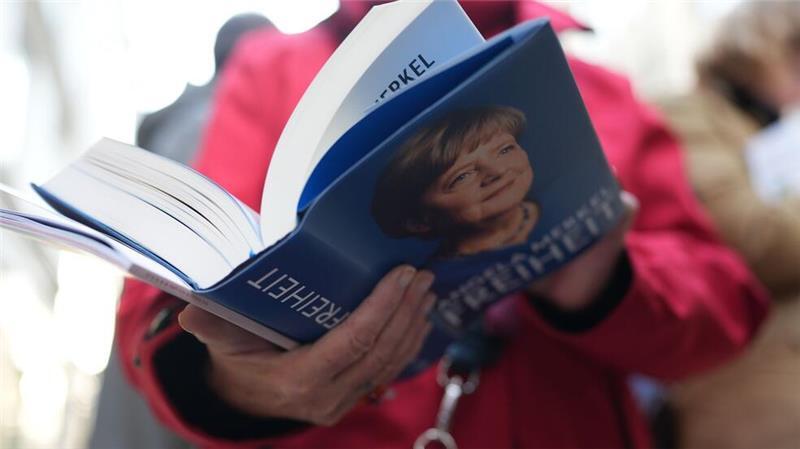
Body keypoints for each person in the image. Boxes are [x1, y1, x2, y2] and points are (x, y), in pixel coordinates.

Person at [117, 2, 768, 448]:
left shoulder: (599, 88)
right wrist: (234, 384)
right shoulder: (273, 71)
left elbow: (726, 299)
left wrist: (604, 287)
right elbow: (161, 300)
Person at [657, 2, 800, 447]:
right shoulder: (688, 115)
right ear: (760, 50)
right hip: (753, 392)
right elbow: (753, 238)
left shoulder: (766, 121)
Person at [371, 105, 538, 258]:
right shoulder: (438, 284)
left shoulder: (562, 199)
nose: (498, 171)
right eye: (461, 177)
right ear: (419, 222)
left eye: (505, 150)